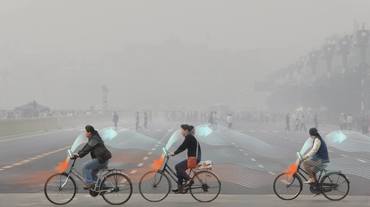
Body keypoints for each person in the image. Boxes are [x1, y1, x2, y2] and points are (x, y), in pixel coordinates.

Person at [73, 125, 112, 189]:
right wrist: (78, 154)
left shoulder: (94, 139)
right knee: (92, 174)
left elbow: (87, 149)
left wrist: (79, 155)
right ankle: (102, 187)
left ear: (89, 133)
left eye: (86, 132)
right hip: (102, 160)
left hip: (101, 160)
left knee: (85, 167)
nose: (85, 133)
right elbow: (86, 147)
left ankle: (89, 183)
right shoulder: (93, 138)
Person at [170, 124, 202, 193]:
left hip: (194, 159)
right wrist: (174, 153)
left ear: (186, 130)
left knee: (178, 167)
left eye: (182, 130)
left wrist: (174, 153)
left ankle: (190, 180)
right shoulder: (189, 137)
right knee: (179, 168)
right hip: (193, 158)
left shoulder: (189, 137)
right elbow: (183, 147)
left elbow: (183, 147)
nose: (181, 132)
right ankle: (180, 188)